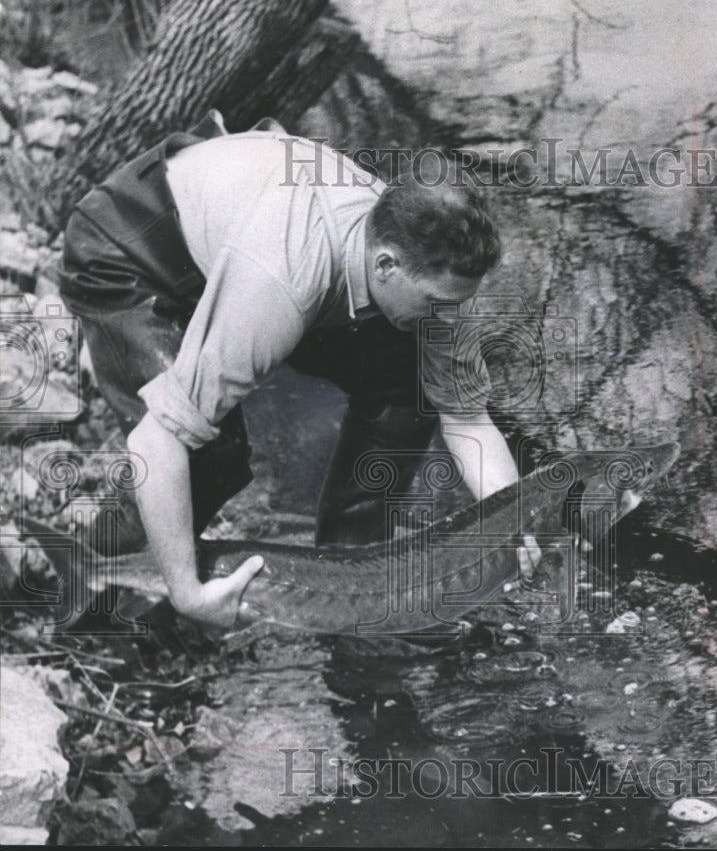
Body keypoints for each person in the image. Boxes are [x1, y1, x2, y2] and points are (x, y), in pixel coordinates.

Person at [58, 111, 540, 628]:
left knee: (409, 385)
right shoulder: (284, 280)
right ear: (386, 265)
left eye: (456, 304)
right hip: (134, 246)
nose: (448, 319)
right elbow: (156, 441)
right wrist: (188, 594)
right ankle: (87, 585)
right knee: (208, 450)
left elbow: (467, 420)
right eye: (437, 303)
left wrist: (510, 527)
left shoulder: (432, 276)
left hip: (243, 236)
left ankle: (354, 584)